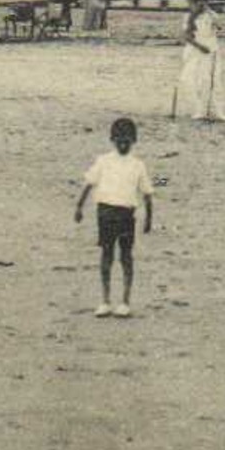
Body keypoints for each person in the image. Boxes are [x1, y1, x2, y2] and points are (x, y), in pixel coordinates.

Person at [74, 117, 156, 318]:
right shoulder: (104, 161)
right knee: (107, 254)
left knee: (126, 257)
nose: (123, 144)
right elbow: (88, 183)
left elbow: (147, 193)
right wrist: (78, 207)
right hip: (105, 212)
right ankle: (105, 300)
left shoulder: (138, 165)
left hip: (126, 213)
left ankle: (125, 301)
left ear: (133, 141)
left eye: (127, 140)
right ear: (113, 140)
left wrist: (149, 219)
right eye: (119, 140)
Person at [180, 0, 225, 121]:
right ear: (192, 3)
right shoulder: (189, 17)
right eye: (197, 1)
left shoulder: (212, 15)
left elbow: (220, 29)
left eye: (203, 1)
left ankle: (217, 111)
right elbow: (187, 37)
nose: (200, 4)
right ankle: (198, 111)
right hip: (195, 50)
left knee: (213, 80)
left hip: (211, 49)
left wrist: (213, 16)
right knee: (192, 80)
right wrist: (200, 46)